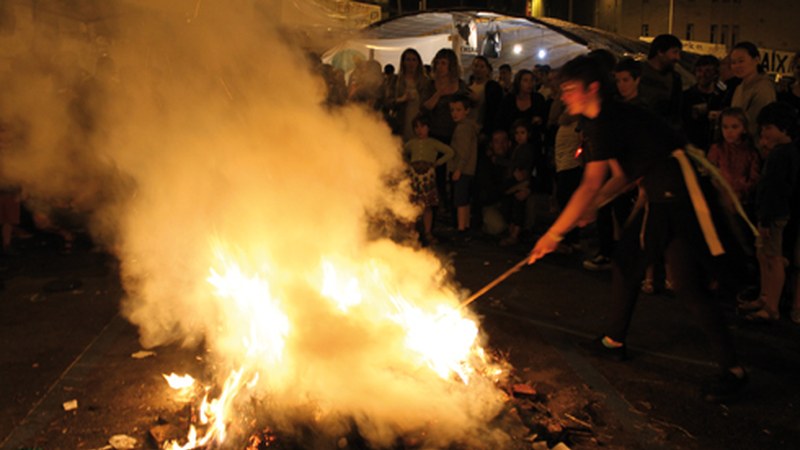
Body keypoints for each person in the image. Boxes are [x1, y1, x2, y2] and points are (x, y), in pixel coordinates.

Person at [527, 55, 750, 402]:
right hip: (662, 192)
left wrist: (554, 233)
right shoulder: (605, 120)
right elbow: (621, 176)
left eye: (570, 89)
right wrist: (590, 209)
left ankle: (726, 368)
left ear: (593, 89)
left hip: (677, 193)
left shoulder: (607, 119)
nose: (564, 96)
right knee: (676, 280)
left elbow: (590, 183)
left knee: (647, 266)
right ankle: (726, 368)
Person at [740, 102, 799, 323]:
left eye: (768, 128)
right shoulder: (785, 152)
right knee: (763, 255)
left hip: (773, 215)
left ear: (783, 129)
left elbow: (774, 189)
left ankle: (771, 305)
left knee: (773, 258)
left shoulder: (781, 155)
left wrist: (765, 219)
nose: (764, 133)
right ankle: (764, 298)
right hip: (773, 213)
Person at [583, 58, 641, 272]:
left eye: (626, 80)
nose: (621, 85)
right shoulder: (614, 108)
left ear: (637, 80)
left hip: (636, 172)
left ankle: (631, 256)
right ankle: (608, 252)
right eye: (618, 80)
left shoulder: (640, 110)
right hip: (612, 169)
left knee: (627, 215)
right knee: (606, 211)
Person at [403, 114, 455, 245]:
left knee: (427, 206)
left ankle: (427, 232)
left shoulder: (433, 143)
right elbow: (401, 152)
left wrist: (437, 163)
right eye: (417, 127)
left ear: (429, 128)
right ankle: (411, 233)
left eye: (423, 127)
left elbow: (450, 152)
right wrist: (408, 164)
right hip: (414, 176)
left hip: (428, 177)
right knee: (412, 205)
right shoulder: (411, 143)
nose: (419, 130)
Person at [707, 108, 760, 211]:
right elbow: (710, 173)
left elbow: (754, 179)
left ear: (744, 128)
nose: (729, 131)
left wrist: (740, 191)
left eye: (734, 127)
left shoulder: (750, 152)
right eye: (725, 127)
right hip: (720, 202)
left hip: (743, 202)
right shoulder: (717, 149)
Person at [498, 119, 535, 247]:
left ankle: (514, 234)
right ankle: (512, 233)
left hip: (520, 181)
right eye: (517, 133)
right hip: (514, 181)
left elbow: (521, 166)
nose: (519, 136)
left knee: (517, 208)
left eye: (522, 133)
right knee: (512, 207)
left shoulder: (526, 149)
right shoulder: (516, 148)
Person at [448, 95, 479, 240]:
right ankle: (465, 226)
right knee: (464, 200)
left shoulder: (463, 128)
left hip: (462, 170)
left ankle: (461, 229)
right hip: (468, 170)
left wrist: (458, 169)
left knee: (460, 200)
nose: (455, 113)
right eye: (453, 110)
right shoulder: (469, 127)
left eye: (458, 110)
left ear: (466, 111)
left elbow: (464, 151)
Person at [730, 42, 777, 138]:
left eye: (741, 61)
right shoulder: (740, 87)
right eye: (733, 62)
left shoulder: (763, 88)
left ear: (756, 60)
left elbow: (757, 123)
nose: (737, 66)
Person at [638, 34, 683, 128]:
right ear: (660, 52)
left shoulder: (675, 79)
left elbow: (675, 112)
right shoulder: (637, 70)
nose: (678, 58)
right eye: (674, 52)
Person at [682, 55, 725, 152]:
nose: (703, 74)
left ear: (715, 74)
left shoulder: (723, 97)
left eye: (708, 71)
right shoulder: (686, 97)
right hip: (692, 148)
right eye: (699, 70)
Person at [392, 48, 428, 142]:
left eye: (414, 60)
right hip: (402, 121)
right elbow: (388, 102)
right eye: (408, 59)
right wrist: (401, 99)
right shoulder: (396, 81)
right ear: (403, 62)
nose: (411, 63)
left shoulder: (425, 81)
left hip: (420, 120)